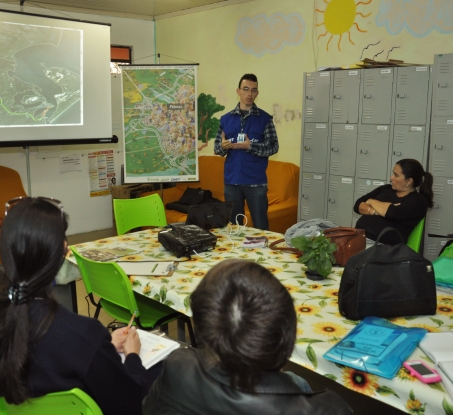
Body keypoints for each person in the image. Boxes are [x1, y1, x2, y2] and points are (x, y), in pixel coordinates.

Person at [0, 197, 152, 415]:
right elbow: (130, 404)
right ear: (63, 252)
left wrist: (103, 348)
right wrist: (132, 356)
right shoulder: (83, 334)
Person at [143, 259, 353, 415]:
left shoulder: (177, 366)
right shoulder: (328, 408)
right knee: (297, 381)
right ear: (288, 333)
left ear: (202, 329)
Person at [214, 73, 279, 231]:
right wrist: (224, 146)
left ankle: (262, 255)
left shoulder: (265, 119)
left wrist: (250, 147)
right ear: (238, 91)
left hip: (256, 183)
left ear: (257, 93)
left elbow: (273, 146)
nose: (249, 94)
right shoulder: (225, 119)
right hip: (232, 182)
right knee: (234, 229)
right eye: (246, 89)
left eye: (253, 90)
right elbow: (217, 149)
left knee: (260, 228)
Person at [353, 159, 433, 245]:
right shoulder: (386, 188)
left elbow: (393, 212)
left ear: (409, 181)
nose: (391, 178)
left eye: (396, 175)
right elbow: (358, 205)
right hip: (358, 236)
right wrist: (375, 211)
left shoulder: (419, 200)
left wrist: (371, 201)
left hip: (383, 246)